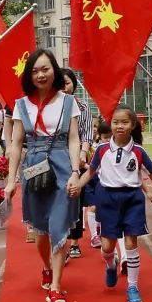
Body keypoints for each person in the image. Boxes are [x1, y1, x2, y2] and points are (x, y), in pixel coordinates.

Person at [72, 107, 152, 302]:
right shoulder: (102, 149)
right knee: (107, 247)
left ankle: (132, 286)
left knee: (131, 244)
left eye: (124, 122)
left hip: (132, 200)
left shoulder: (138, 151)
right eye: (115, 122)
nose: (119, 126)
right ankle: (111, 265)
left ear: (133, 126)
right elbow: (91, 172)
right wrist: (78, 185)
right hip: (108, 200)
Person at [3, 49, 82, 302]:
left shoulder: (69, 102)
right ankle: (47, 267)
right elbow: (15, 144)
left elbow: (73, 139)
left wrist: (74, 172)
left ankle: (57, 287)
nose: (40, 75)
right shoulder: (21, 104)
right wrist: (10, 180)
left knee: (59, 224)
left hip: (61, 166)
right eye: (35, 70)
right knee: (40, 230)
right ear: (29, 75)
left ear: (55, 70)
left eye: (45, 69)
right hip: (34, 166)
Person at [61, 68, 93, 258]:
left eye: (67, 83)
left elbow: (87, 133)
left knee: (75, 197)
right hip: (57, 158)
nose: (64, 88)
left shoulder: (82, 106)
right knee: (59, 198)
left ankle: (74, 241)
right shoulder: (51, 106)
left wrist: (82, 155)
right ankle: (60, 240)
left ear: (73, 84)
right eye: (61, 84)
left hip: (77, 159)